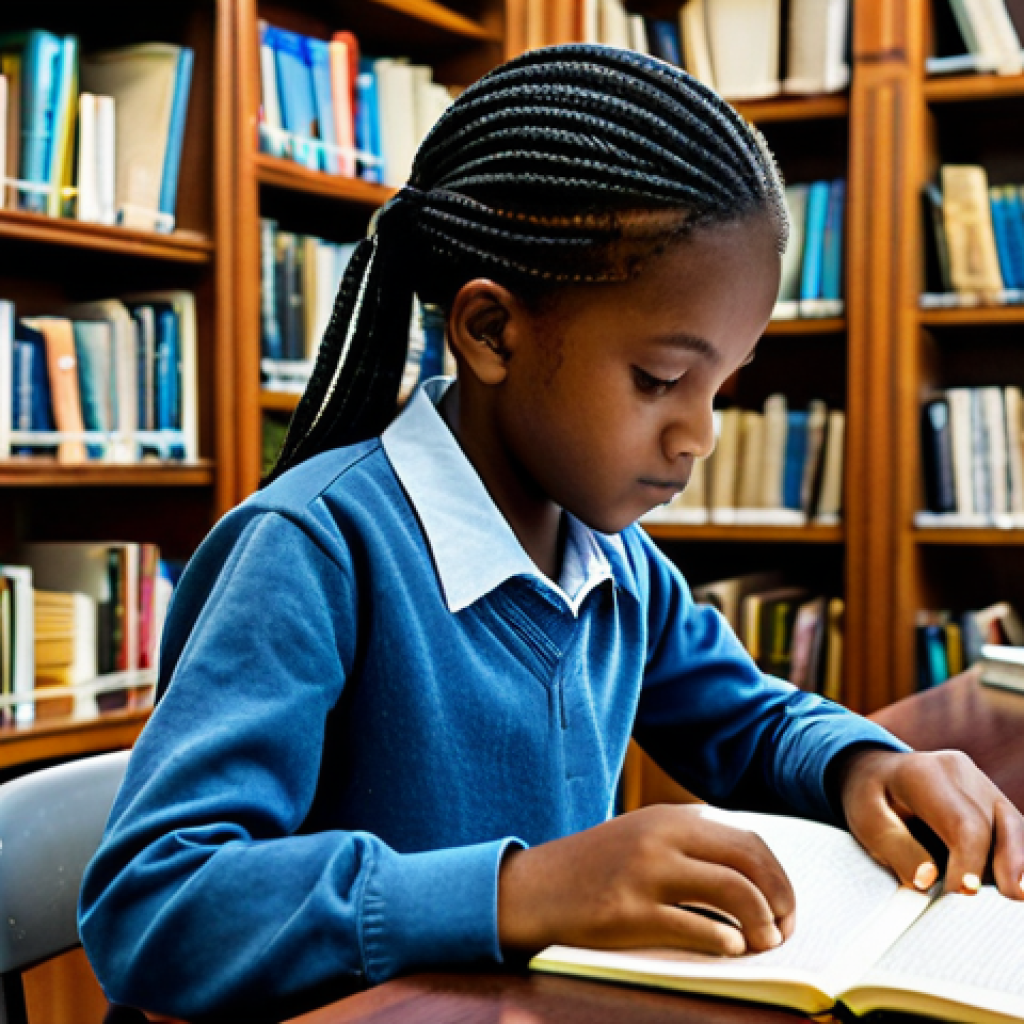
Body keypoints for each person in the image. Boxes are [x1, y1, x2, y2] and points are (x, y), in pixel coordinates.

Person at [80, 44, 1024, 1023]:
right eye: (661, 379)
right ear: (490, 332)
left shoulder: (611, 558)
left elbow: (747, 719)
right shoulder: (312, 551)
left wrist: (862, 764)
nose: (698, 435)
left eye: (721, 387)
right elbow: (153, 904)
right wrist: (518, 891)